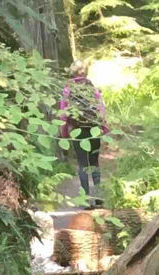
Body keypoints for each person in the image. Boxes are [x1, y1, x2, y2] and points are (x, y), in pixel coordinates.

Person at [59, 64, 106, 205]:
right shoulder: (93, 89)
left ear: (72, 73)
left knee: (82, 164)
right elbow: (101, 110)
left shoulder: (67, 90)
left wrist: (64, 133)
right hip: (94, 130)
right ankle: (98, 198)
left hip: (77, 130)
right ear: (86, 73)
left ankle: (85, 200)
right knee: (94, 163)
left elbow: (63, 114)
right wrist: (104, 129)